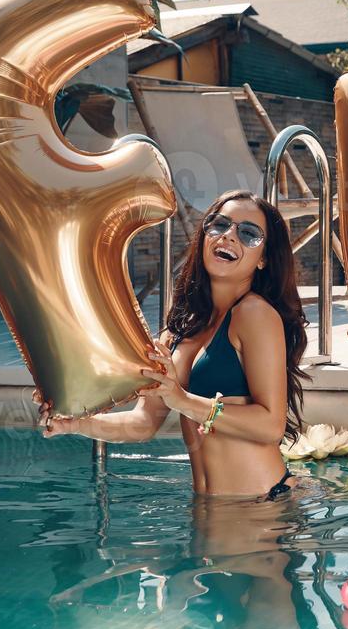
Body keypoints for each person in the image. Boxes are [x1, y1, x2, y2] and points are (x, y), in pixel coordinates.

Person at [36, 189, 310, 497]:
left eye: (249, 234)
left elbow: (270, 425)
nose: (229, 236)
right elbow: (144, 423)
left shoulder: (254, 314)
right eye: (219, 225)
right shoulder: (180, 331)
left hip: (263, 503)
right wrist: (77, 424)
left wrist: (181, 400)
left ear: (264, 260)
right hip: (211, 509)